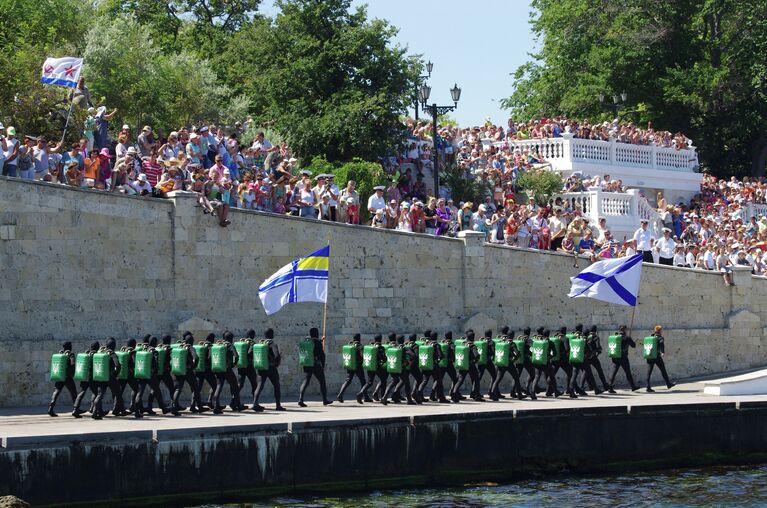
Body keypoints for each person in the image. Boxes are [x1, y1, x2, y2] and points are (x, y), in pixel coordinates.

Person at [252, 328, 286, 412]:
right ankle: (278, 405)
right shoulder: (272, 344)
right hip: (270, 368)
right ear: (271, 335)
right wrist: (276, 362)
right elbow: (277, 355)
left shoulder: (260, 343)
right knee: (276, 385)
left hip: (261, 367)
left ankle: (254, 404)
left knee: (259, 386)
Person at [171, 333, 206, 415]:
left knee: (177, 389)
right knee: (195, 388)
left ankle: (173, 407)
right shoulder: (190, 347)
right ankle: (199, 407)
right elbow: (196, 357)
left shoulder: (179, 346)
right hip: (187, 371)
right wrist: (194, 366)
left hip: (178, 369)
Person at [297, 327, 332, 407]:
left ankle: (300, 399)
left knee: (305, 382)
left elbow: (314, 344)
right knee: (322, 382)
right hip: (316, 365)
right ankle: (325, 400)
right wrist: (323, 365)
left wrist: (321, 340)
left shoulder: (307, 341)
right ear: (316, 333)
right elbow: (322, 355)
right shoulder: (317, 343)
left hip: (307, 364)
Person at [211, 331, 244, 413]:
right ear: (230, 339)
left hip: (217, 368)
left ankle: (215, 406)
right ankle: (238, 405)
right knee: (235, 387)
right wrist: (234, 364)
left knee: (218, 387)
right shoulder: (229, 345)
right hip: (227, 369)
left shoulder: (217, 345)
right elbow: (236, 356)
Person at [488, 327, 524, 401]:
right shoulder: (512, 343)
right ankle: (519, 395)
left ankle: (492, 393)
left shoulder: (501, 341)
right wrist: (514, 359)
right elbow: (517, 353)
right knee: (516, 378)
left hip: (501, 362)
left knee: (497, 379)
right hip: (509, 363)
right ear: (513, 336)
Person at [381, 335, 415, 405]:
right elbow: (413, 355)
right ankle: (409, 400)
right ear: (403, 340)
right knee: (407, 383)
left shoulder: (393, 347)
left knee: (394, 381)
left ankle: (384, 397)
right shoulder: (404, 348)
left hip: (392, 367)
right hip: (402, 368)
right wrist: (408, 362)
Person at [417, 331, 449, 403]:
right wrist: (439, 358)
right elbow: (440, 355)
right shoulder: (436, 345)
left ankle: (418, 394)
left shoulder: (426, 343)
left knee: (424, 381)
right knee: (439, 380)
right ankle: (441, 397)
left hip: (426, 364)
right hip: (434, 366)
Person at [606, 325, 640, 392]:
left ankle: (610, 387)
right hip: (623, 358)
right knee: (628, 372)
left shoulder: (615, 337)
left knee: (613, 372)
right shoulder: (626, 338)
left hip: (615, 357)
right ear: (625, 330)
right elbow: (633, 345)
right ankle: (633, 386)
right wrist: (630, 339)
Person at [451, 330, 482, 403]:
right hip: (470, 365)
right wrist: (476, 360)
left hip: (463, 364)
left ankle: (454, 394)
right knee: (476, 380)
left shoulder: (462, 343)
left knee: (460, 380)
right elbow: (476, 355)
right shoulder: (472, 345)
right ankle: (477, 395)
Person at [48, 341, 77, 417]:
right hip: (67, 377)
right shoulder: (70, 354)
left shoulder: (60, 354)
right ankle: (76, 409)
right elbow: (72, 363)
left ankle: (51, 407)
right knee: (74, 393)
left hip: (59, 376)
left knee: (56, 391)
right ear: (69, 347)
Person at [72, 341, 100, 418]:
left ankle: (75, 409)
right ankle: (97, 411)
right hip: (91, 378)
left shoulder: (87, 354)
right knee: (98, 394)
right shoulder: (96, 355)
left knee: (81, 393)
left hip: (84, 377)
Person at [357, 334, 387, 404]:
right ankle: (383, 398)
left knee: (369, 382)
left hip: (370, 367)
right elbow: (384, 358)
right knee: (383, 380)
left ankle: (360, 394)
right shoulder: (380, 347)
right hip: (377, 367)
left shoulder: (370, 346)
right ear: (381, 339)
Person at [645, 325, 676, 392]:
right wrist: (662, 352)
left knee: (649, 372)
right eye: (661, 330)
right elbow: (661, 344)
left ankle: (648, 387)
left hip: (650, 356)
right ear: (660, 330)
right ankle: (668, 384)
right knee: (663, 370)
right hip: (656, 356)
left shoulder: (651, 336)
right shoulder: (660, 337)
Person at [337, 333, 366, 403]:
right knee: (363, 381)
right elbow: (362, 354)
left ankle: (340, 394)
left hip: (350, 365)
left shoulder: (350, 344)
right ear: (359, 338)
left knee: (348, 380)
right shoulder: (359, 345)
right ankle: (365, 396)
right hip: (358, 366)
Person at [581, 325, 610, 395]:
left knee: (585, 372)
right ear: (595, 330)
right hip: (593, 357)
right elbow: (598, 347)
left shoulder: (586, 337)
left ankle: (582, 387)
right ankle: (605, 385)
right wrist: (599, 351)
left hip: (586, 357)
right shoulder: (596, 337)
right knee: (599, 371)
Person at [235, 329, 259, 406]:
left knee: (239, 384)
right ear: (251, 335)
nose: (254, 336)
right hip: (249, 366)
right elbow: (249, 353)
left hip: (241, 366)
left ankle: (233, 401)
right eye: (253, 335)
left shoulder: (241, 342)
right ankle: (255, 403)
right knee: (254, 384)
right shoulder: (251, 342)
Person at [196, 333, 218, 409]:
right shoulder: (210, 346)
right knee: (215, 385)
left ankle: (195, 404)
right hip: (207, 370)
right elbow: (209, 357)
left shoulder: (202, 344)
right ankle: (211, 401)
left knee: (198, 388)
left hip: (199, 369)